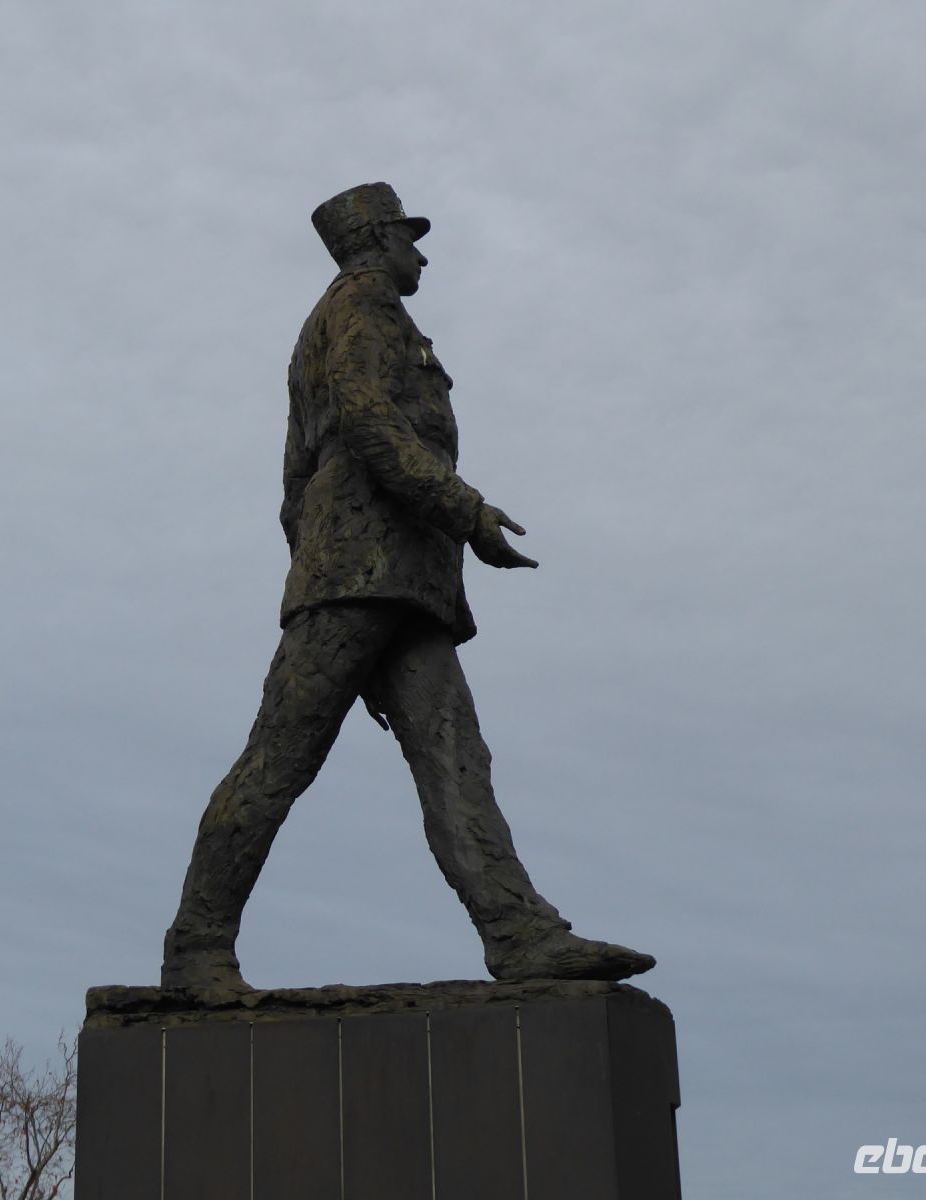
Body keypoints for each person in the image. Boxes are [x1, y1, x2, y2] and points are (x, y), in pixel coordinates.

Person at [161, 183, 654, 991]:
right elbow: (366, 423)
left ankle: (522, 937)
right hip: (360, 578)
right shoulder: (361, 307)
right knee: (279, 760)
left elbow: (292, 486)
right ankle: (197, 949)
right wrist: (464, 512)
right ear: (379, 241)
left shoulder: (366, 316)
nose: (420, 254)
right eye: (409, 238)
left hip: (399, 586)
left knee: (455, 757)